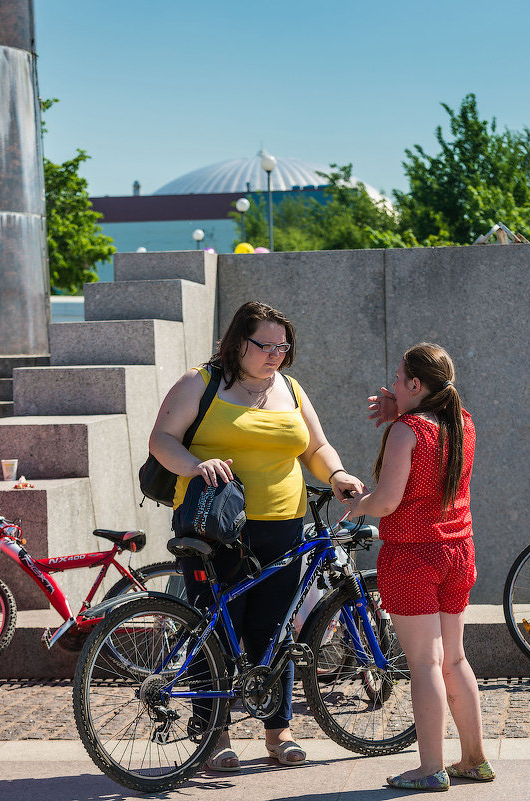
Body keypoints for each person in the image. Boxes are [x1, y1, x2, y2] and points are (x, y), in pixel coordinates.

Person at [148, 300, 364, 772]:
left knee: (275, 629)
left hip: (284, 524)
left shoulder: (290, 388)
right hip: (215, 527)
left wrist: (338, 475)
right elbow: (161, 438)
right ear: (237, 342)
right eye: (264, 345)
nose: (274, 355)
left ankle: (278, 731)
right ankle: (213, 734)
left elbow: (316, 446)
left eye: (282, 346)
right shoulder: (200, 383)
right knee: (217, 627)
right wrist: (195, 465)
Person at [346, 342, 492, 791]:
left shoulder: (407, 431)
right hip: (458, 551)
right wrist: (400, 410)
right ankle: (474, 759)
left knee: (424, 664)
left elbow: (388, 501)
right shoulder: (461, 423)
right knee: (454, 659)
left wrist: (355, 507)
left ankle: (430, 768)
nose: (390, 384)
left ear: (414, 383)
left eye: (397, 378)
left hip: (413, 556)